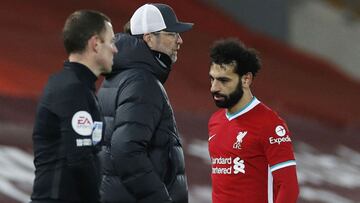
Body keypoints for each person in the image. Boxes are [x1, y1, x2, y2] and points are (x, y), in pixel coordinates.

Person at [97, 3, 193, 203]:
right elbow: (125, 150)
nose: (180, 40)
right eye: (172, 34)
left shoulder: (120, 74)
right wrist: (159, 198)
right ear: (149, 38)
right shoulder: (142, 82)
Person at [31, 10, 117, 203]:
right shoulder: (72, 89)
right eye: (111, 42)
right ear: (95, 44)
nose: (115, 49)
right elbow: (80, 159)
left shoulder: (78, 87)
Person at [208, 39, 299, 203]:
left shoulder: (270, 124)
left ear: (246, 79)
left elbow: (288, 187)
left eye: (223, 80)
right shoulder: (215, 121)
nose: (214, 87)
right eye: (212, 79)